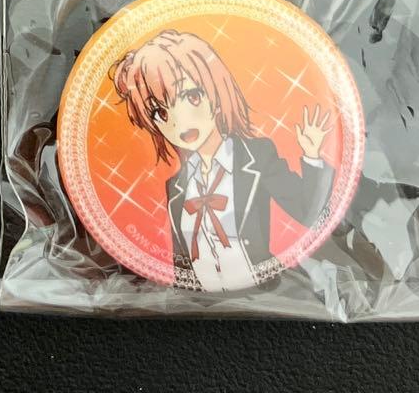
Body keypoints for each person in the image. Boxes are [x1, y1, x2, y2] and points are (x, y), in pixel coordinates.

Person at [111, 29, 334, 290]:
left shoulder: (257, 156)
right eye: (160, 112)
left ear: (216, 94)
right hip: (200, 305)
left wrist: (312, 155)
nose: (180, 121)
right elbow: (180, 263)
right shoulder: (176, 186)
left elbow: (309, 213)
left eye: (192, 97)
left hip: (265, 293)